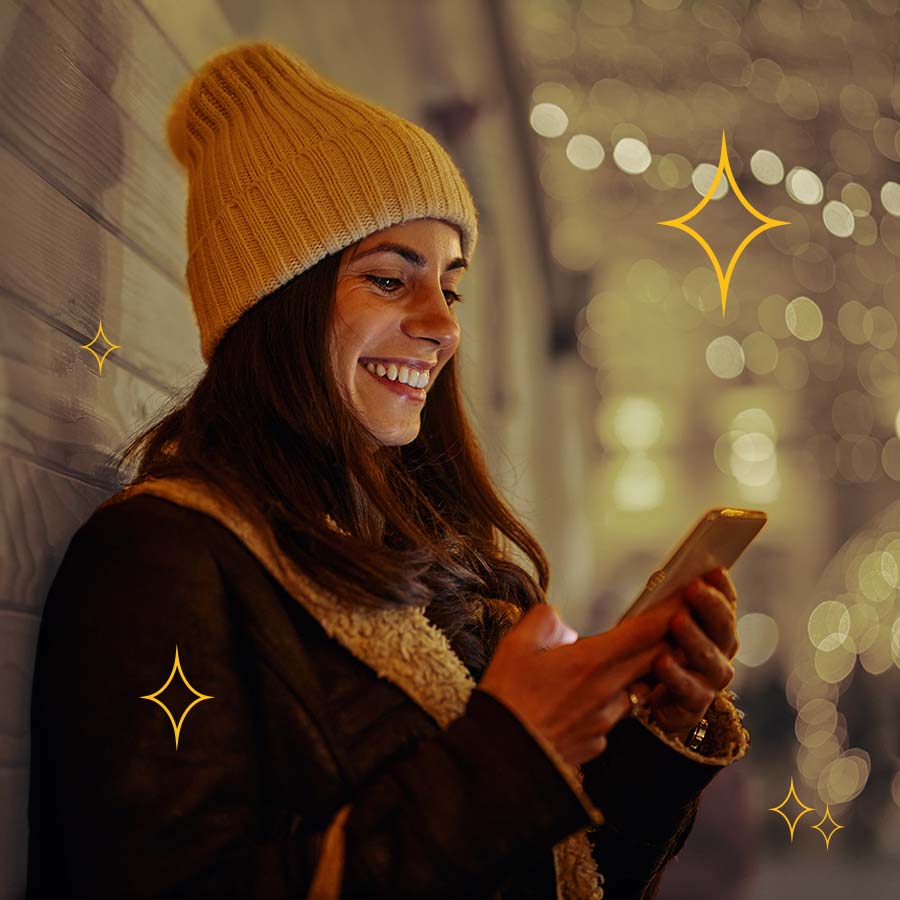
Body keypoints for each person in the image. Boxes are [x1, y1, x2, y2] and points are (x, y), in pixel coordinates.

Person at [26, 41, 749, 900]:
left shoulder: (441, 565)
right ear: (277, 305)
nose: (443, 325)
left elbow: (562, 877)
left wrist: (652, 729)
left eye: (450, 285)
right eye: (387, 279)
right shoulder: (160, 562)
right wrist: (514, 752)